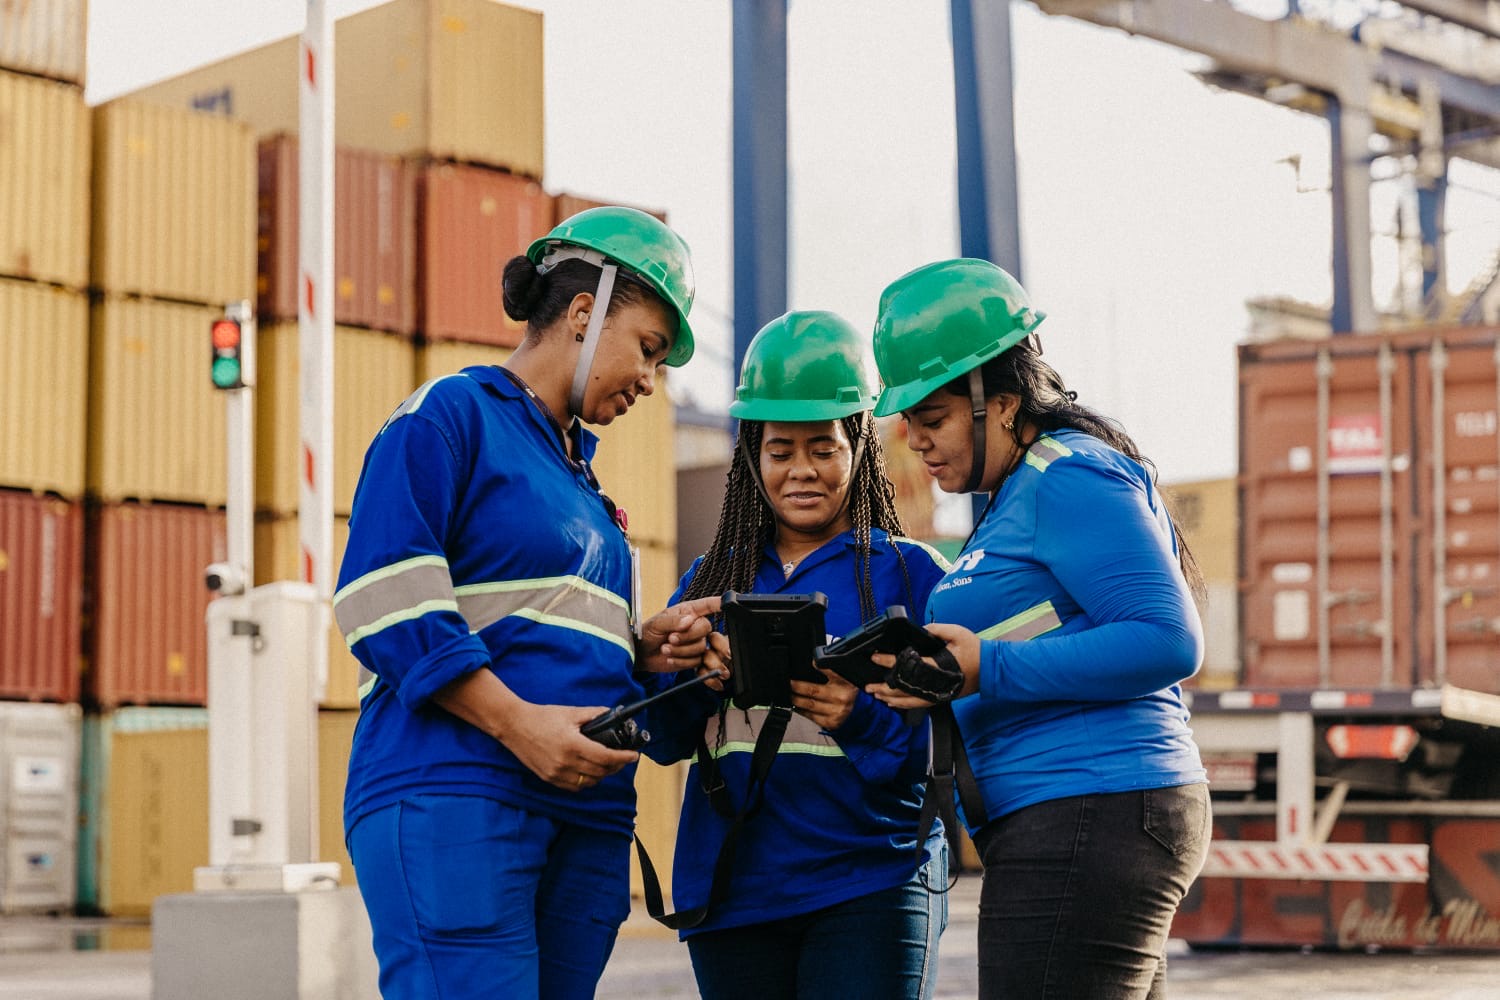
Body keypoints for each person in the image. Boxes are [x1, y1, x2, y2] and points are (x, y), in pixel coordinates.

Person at [332, 206, 721, 1000]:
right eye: (648, 349)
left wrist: (645, 654)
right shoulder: (451, 417)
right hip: (458, 790)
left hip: (580, 817)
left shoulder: (591, 495)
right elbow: (382, 594)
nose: (651, 380)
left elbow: (546, 631)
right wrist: (518, 724)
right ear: (583, 313)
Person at [866, 258, 1212, 999]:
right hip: (1080, 817)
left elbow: (1168, 639)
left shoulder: (1067, 476)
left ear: (1002, 401)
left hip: (1091, 811)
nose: (917, 443)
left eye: (933, 420)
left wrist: (985, 667)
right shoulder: (1017, 499)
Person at [647, 310, 953, 1000]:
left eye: (823, 449)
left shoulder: (912, 577)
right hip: (734, 892)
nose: (801, 471)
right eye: (780, 451)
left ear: (859, 450)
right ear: (752, 457)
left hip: (871, 884)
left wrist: (857, 717)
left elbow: (947, 758)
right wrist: (682, 672)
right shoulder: (707, 580)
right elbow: (663, 741)